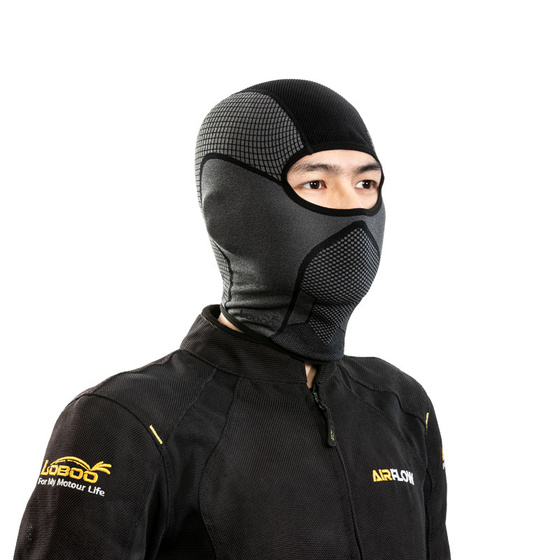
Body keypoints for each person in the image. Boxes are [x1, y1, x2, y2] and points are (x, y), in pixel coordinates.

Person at [14, 79, 451, 559]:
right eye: (316, 183)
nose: (353, 208)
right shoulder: (128, 420)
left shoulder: (401, 408)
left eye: (366, 184)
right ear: (231, 208)